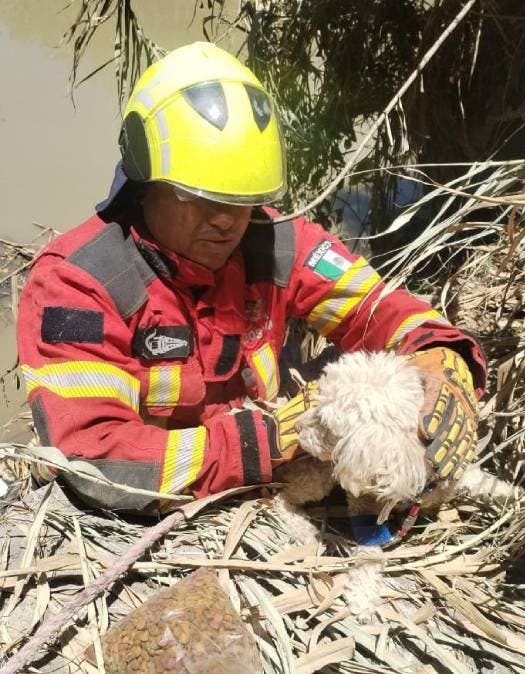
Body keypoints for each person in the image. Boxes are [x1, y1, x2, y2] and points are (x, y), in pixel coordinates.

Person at [17, 42, 486, 526]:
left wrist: (445, 358)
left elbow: (380, 310)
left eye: (241, 201)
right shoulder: (77, 285)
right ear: (145, 181)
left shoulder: (278, 244)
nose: (226, 222)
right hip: (165, 511)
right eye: (200, 199)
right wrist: (270, 437)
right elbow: (101, 462)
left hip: (273, 480)